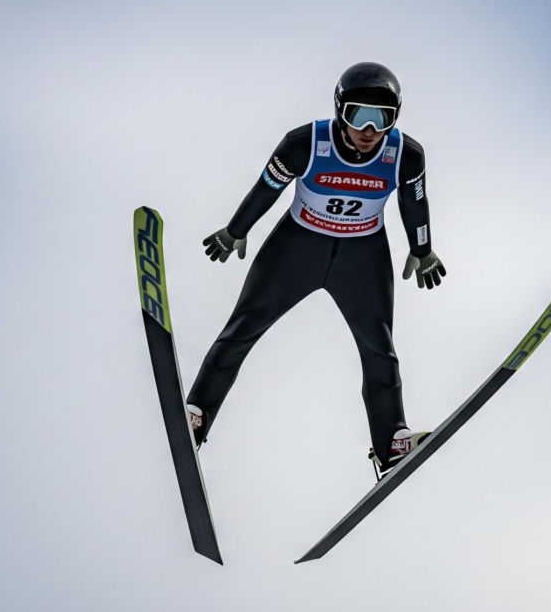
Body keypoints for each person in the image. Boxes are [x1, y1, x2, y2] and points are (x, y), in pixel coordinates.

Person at [185, 62, 445, 475]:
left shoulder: (405, 155)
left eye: (383, 119)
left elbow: (415, 202)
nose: (369, 130)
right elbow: (266, 188)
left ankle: (391, 442)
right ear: (340, 110)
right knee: (244, 327)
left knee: (380, 350)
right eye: (359, 114)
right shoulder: (304, 143)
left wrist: (423, 248)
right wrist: (236, 230)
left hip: (363, 257)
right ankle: (196, 415)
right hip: (297, 248)